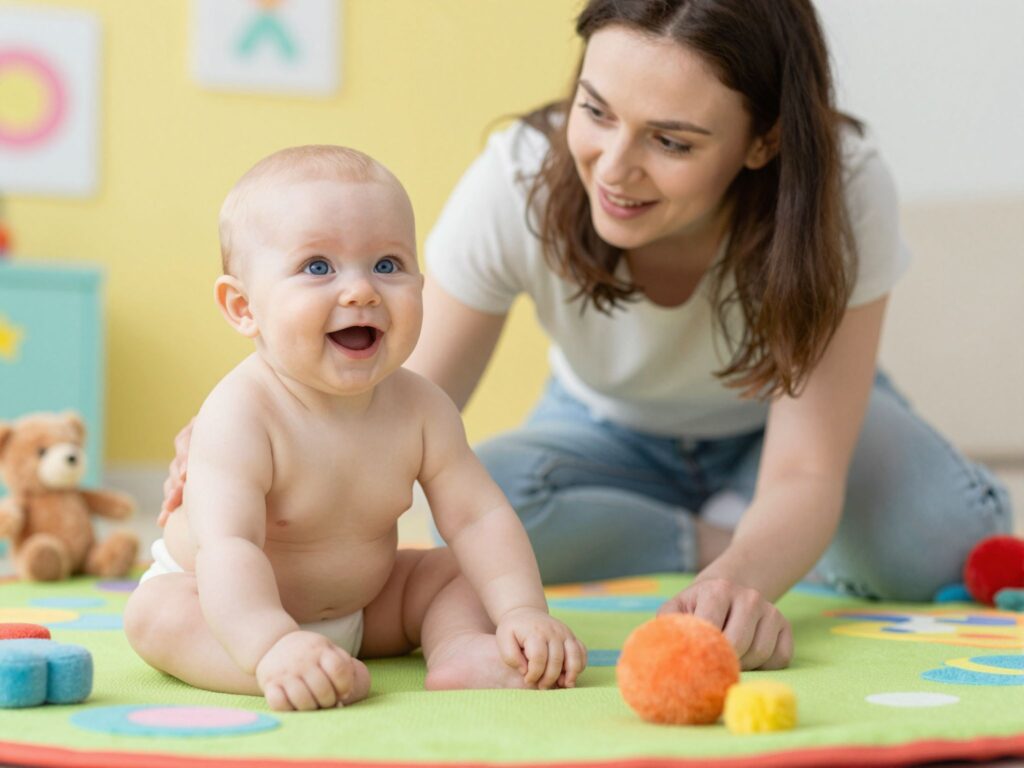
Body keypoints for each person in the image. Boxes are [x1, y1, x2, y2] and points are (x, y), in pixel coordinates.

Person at [161, 1, 1013, 672]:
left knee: (935, 540)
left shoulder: (844, 190)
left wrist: (742, 586)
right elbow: (400, 399)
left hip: (785, 429)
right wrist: (255, 439)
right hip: (604, 431)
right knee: (490, 495)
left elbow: (807, 468)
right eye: (595, 111)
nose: (612, 166)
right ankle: (722, 527)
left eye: (671, 141)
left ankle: (755, 531)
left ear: (763, 143)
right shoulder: (521, 176)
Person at [125, 146, 586, 712]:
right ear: (244, 307)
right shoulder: (241, 415)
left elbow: (478, 516)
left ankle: (461, 651)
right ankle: (278, 672)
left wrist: (522, 611)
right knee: (155, 618)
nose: (362, 290)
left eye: (387, 264)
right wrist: (270, 644)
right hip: (225, 606)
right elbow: (230, 548)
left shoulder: (422, 408)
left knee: (452, 572)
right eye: (317, 267)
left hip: (366, 607)